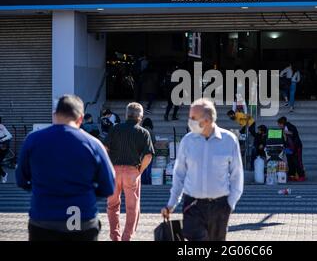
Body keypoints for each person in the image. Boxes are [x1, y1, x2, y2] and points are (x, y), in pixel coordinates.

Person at [15, 95, 115, 241]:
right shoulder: (94, 144)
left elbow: (21, 179)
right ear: (80, 118)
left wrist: (39, 189)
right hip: (82, 219)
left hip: (44, 219)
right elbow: (108, 186)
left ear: (54, 115)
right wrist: (87, 194)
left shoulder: (33, 140)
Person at [161, 98, 244, 241]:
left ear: (207, 119)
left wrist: (230, 204)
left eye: (193, 117)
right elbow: (179, 174)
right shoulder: (187, 141)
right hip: (193, 206)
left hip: (220, 206)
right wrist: (171, 204)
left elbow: (237, 175)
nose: (189, 121)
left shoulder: (229, 140)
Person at [104, 102, 154, 241]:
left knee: (112, 205)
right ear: (141, 117)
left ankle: (115, 237)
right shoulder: (144, 132)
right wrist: (140, 170)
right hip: (132, 171)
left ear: (126, 115)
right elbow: (148, 155)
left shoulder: (115, 129)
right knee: (132, 207)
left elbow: (105, 148)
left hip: (114, 170)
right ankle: (127, 237)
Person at [277, 117, 305, 182]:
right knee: (290, 161)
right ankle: (291, 175)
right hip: (288, 148)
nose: (278, 126)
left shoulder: (291, 126)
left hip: (296, 147)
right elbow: (283, 140)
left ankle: (301, 175)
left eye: (279, 124)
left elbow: (293, 133)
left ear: (282, 123)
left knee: (297, 161)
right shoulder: (282, 130)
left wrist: (286, 132)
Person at [0, 116, 13, 183]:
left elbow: (10, 135)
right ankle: (4, 174)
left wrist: (2, 140)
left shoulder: (1, 127)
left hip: (2, 148)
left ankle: (4, 174)